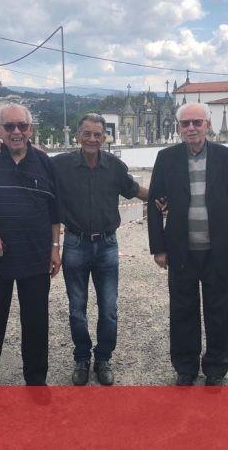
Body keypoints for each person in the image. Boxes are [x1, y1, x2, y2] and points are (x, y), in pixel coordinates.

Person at [147, 102, 228, 386]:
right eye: (185, 123)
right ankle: (186, 366)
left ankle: (216, 366)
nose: (191, 128)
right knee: (182, 310)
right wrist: (159, 247)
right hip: (181, 249)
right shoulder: (166, 158)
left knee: (219, 310)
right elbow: (154, 205)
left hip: (218, 249)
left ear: (208, 125)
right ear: (178, 128)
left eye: (196, 122)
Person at [0, 103, 61, 386]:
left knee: (36, 323)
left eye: (23, 126)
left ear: (31, 129)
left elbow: (55, 212)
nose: (16, 132)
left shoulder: (44, 163)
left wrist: (55, 248)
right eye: (9, 127)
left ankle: (36, 382)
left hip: (35, 256)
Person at [52, 114, 148, 386]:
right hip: (75, 244)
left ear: (105, 137)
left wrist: (166, 196)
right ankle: (82, 358)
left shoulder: (115, 167)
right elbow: (31, 160)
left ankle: (103, 358)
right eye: (86, 134)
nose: (92, 139)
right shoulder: (61, 165)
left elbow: (135, 190)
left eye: (97, 134)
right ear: (77, 136)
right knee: (76, 308)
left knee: (108, 308)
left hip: (107, 245)